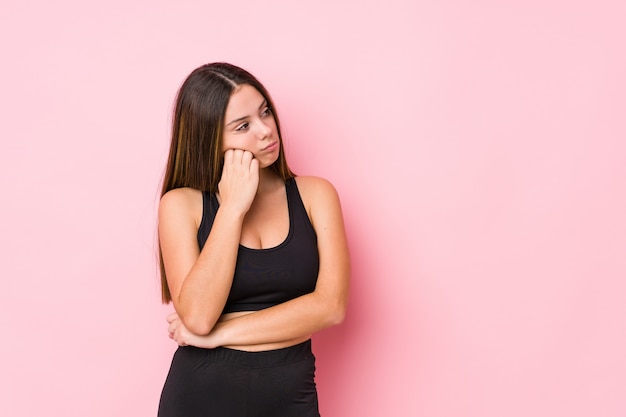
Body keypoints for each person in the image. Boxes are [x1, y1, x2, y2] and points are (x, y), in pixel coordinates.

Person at [156, 62, 350, 417]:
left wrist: (217, 335)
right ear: (209, 138)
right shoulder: (181, 205)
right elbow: (198, 317)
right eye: (243, 126)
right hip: (200, 398)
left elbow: (330, 307)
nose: (265, 131)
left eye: (265, 112)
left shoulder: (315, 195)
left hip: (292, 400)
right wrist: (231, 209)